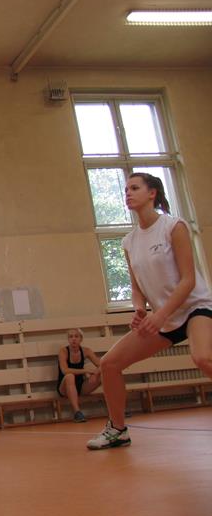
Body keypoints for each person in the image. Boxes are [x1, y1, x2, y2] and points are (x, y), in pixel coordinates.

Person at [88, 172, 212, 450]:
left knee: (203, 357)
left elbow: (188, 280)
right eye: (126, 190)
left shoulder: (173, 227)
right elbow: (137, 288)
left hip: (195, 307)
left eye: (134, 188)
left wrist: (160, 314)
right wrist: (139, 309)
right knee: (109, 364)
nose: (128, 193)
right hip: (163, 318)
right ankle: (117, 430)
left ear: (152, 193)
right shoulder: (129, 242)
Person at [57, 328, 102, 423]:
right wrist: (85, 370)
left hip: (81, 386)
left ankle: (116, 409)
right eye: (71, 337)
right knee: (70, 376)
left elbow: (101, 365)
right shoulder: (63, 351)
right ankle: (77, 412)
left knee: (102, 375)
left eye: (76, 336)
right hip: (64, 387)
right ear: (68, 339)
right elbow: (65, 370)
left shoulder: (86, 351)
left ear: (81, 339)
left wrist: (95, 373)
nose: (73, 339)